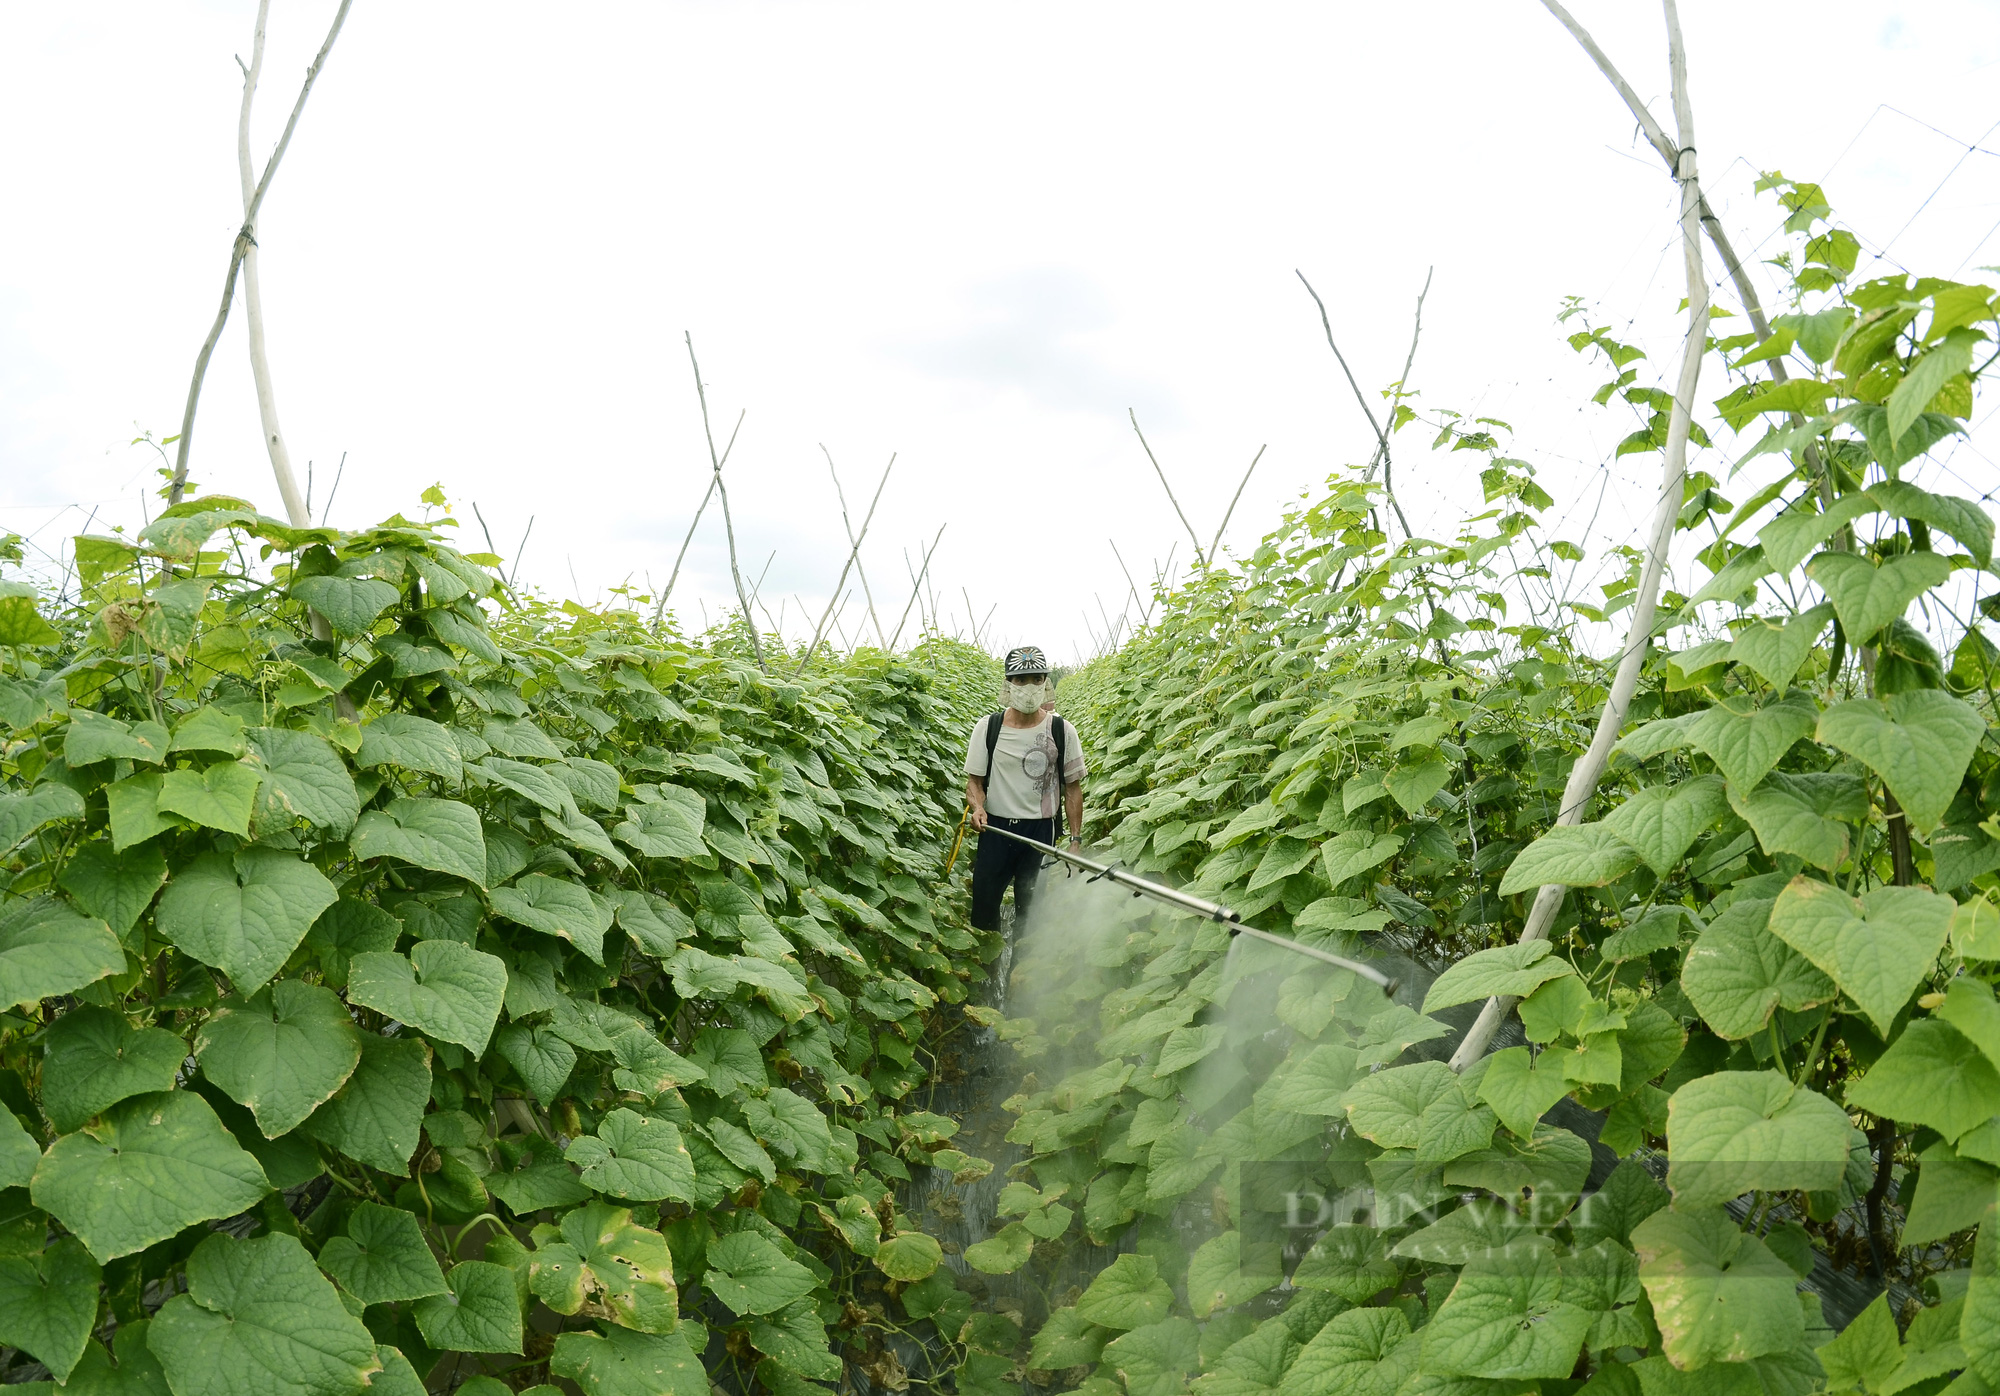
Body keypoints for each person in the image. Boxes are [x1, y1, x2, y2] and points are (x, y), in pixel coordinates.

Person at [963, 646, 1087, 932]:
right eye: (1020, 680)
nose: (1029, 687)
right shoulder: (988, 728)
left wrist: (1076, 841)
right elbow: (975, 783)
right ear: (1008, 684)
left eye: (1036, 678)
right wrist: (978, 808)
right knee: (983, 911)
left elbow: (1072, 788)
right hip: (995, 831)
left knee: (1031, 916)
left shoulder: (1062, 730)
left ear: (1046, 682)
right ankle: (988, 968)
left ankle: (1022, 970)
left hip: (1041, 833)